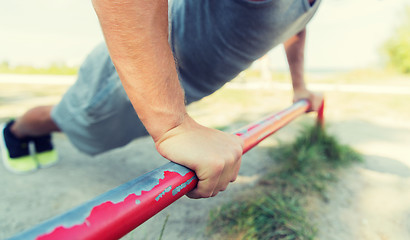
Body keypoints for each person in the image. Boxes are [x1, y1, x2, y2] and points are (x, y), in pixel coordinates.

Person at [0, 0, 323, 199]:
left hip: (180, 88)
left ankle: (36, 136)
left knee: (107, 132)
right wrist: (172, 125)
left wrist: (299, 86)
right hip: (142, 69)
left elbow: (296, 25)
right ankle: (16, 132)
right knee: (72, 119)